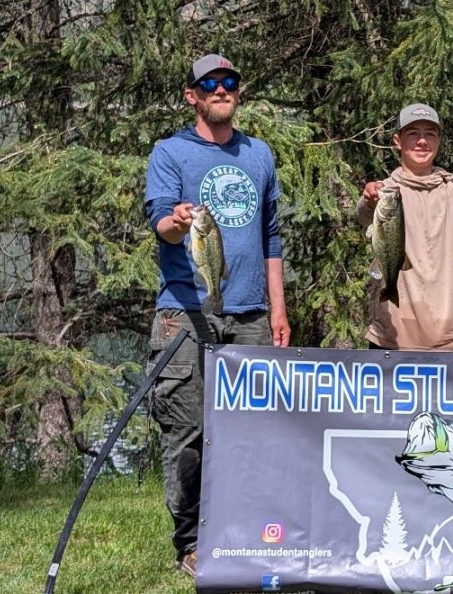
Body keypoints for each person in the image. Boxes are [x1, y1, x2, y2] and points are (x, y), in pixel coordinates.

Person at [144, 53, 291, 577]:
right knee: (186, 433)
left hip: (251, 316)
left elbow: (271, 235)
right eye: (210, 84)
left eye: (229, 81)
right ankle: (190, 544)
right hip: (185, 313)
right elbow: (160, 225)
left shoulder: (259, 154)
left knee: (253, 432)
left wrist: (278, 308)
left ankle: (244, 535)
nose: (221, 89)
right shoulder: (170, 152)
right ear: (193, 96)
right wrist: (179, 222)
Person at [358, 103, 453, 351]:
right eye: (413, 133)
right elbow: (363, 214)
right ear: (397, 141)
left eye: (430, 134)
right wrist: (369, 200)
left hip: (450, 340)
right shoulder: (385, 191)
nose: (422, 141)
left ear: (439, 141)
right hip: (390, 338)